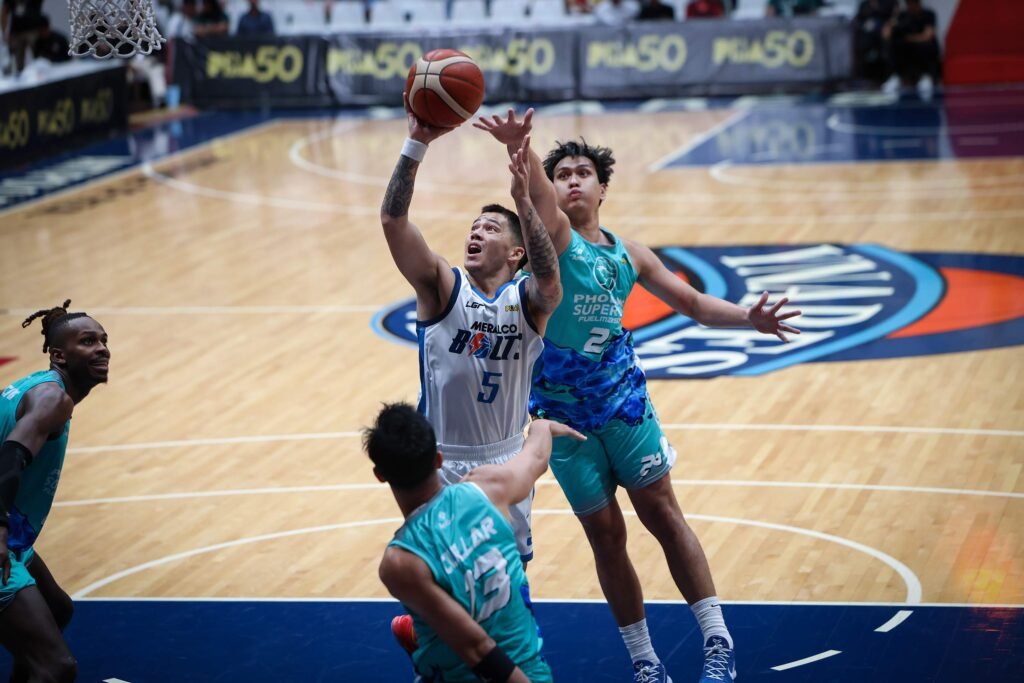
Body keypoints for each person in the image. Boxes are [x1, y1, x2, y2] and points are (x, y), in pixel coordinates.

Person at [476, 110, 801, 683]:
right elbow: (530, 194)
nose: (572, 180)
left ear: (602, 187)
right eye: (563, 174)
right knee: (606, 537)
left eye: (583, 173)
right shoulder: (555, 237)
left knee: (662, 514)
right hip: (562, 417)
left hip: (623, 403)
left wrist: (749, 317)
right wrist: (522, 150)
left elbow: (696, 304)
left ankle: (718, 641)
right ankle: (646, 662)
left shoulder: (632, 255)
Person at [381, 98, 563, 658]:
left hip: (507, 459)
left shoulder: (528, 301)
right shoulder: (442, 287)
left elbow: (550, 273)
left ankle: (491, 658)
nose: (476, 232)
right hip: (444, 461)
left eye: (490, 228)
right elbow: (394, 221)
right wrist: (418, 145)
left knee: (505, 586)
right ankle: (438, 650)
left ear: (514, 252)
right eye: (473, 226)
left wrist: (521, 202)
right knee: (442, 581)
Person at [369, 403, 583, 682]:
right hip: (532, 672)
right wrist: (541, 427)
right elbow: (535, 458)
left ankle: (424, 638)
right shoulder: (489, 487)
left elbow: (477, 648)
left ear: (380, 475)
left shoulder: (401, 563)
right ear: (438, 459)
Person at [0, 300, 111, 682]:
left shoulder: (37, 387)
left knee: (57, 609)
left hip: (12, 532)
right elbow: (13, 455)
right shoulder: (53, 400)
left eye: (103, 340)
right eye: (88, 341)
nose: (101, 348)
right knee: (56, 668)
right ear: (59, 356)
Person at [883, 0, 941, 96]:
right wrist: (894, 17)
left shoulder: (928, 14)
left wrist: (910, 38)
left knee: (927, 46)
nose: (911, 6)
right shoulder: (902, 16)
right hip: (906, 48)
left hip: (922, 46)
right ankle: (895, 77)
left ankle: (926, 77)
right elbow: (886, 35)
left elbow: (928, 35)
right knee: (893, 45)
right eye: (908, 3)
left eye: (913, 3)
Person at [1, 0, 43, 75]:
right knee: (18, 61)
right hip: (17, 32)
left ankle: (42, 73)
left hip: (33, 29)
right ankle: (20, 76)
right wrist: (4, 33)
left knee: (39, 56)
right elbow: (4, 13)